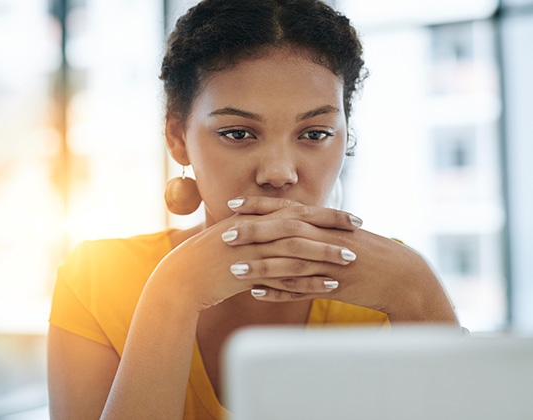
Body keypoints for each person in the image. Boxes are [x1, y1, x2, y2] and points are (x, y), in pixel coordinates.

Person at [47, 0, 460, 419]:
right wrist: (172, 294)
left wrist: (421, 297)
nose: (279, 174)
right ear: (177, 136)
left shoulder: (395, 285)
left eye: (315, 133)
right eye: (239, 133)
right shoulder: (96, 280)